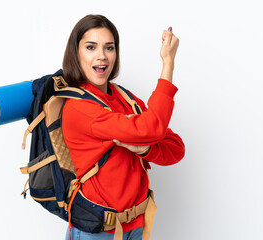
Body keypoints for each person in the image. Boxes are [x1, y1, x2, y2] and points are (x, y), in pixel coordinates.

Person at [61, 14, 185, 240]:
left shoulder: (124, 98)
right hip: (96, 231)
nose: (102, 56)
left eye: (109, 47)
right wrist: (168, 63)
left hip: (136, 226)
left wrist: (145, 149)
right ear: (76, 54)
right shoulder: (79, 108)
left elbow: (176, 148)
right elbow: (154, 129)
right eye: (91, 47)